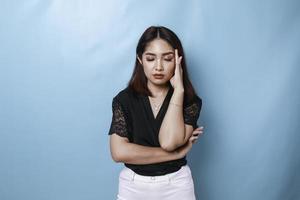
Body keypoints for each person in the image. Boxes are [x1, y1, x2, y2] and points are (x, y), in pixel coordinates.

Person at [108, 25, 204, 200]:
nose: (158, 67)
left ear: (178, 61)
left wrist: (179, 92)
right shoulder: (123, 100)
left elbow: (168, 142)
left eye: (167, 59)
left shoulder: (190, 101)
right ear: (140, 59)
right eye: (151, 58)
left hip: (177, 186)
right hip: (133, 187)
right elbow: (119, 152)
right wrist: (176, 154)